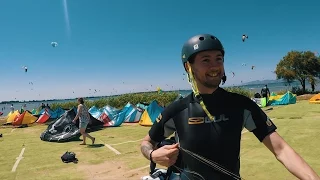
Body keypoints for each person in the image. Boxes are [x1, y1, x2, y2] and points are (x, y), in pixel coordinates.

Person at [140, 34, 320, 180]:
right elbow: (147, 143)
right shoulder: (177, 109)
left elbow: (281, 150)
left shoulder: (241, 105)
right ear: (189, 67)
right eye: (205, 60)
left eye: (219, 59)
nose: (215, 66)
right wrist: (153, 155)